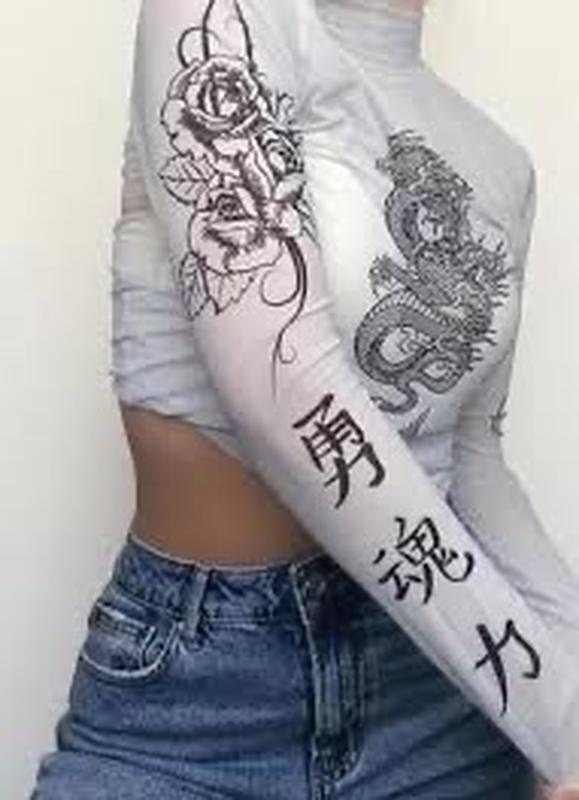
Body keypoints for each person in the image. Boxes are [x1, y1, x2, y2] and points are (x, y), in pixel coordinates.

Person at [31, 0, 579, 797]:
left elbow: (473, 462)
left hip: (438, 693)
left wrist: (570, 698)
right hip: (192, 703)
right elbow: (283, 384)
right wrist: (550, 709)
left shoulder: (500, 164)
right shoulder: (219, 17)